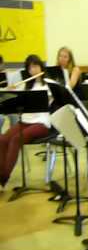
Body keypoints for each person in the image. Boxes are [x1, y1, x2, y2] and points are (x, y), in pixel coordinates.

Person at [0, 55, 51, 187]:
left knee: (16, 139)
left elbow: (59, 100)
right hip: (25, 121)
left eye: (35, 66)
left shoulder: (50, 85)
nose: (32, 70)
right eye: (30, 67)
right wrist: (9, 91)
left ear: (41, 67)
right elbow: (13, 101)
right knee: (2, 139)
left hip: (41, 123)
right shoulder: (27, 86)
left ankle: (3, 178)